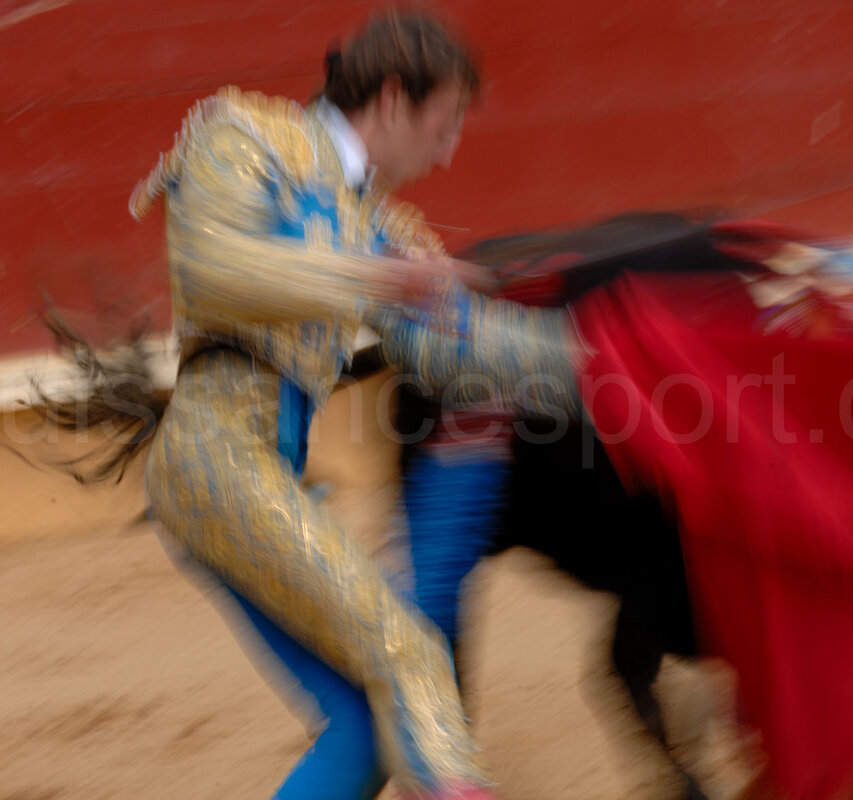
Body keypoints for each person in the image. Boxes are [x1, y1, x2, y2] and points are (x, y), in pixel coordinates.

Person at [124, 10, 582, 800]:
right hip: (214, 456)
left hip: (260, 469)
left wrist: (599, 357)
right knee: (410, 655)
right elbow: (213, 269)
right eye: (444, 124)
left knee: (368, 730)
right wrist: (377, 278)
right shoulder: (245, 136)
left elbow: (452, 349)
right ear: (394, 99)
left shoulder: (374, 218)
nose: (448, 150)